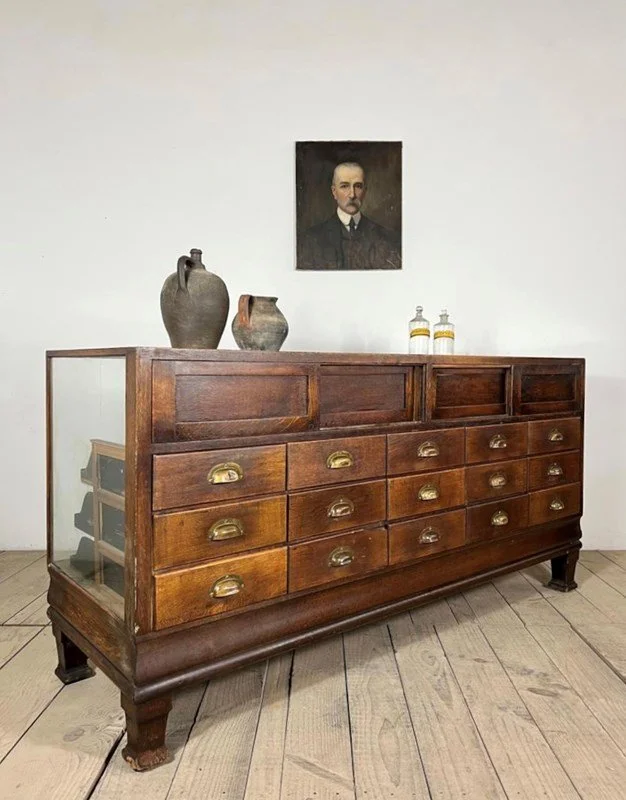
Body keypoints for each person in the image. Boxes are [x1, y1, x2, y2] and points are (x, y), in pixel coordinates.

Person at [297, 161, 401, 270]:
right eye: (344, 186)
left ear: (365, 191)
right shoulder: (310, 240)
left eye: (358, 186)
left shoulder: (387, 238)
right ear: (334, 192)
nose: (352, 194)